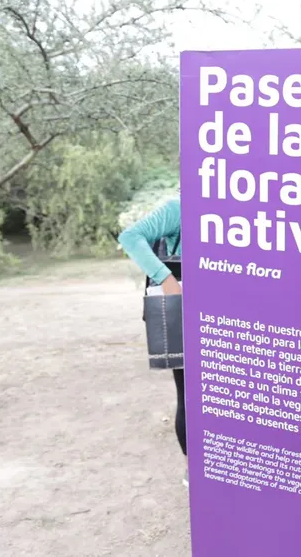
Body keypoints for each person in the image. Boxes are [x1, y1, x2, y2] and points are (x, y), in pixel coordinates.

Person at [117, 196, 187, 486]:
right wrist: (167, 280)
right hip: (184, 309)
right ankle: (192, 469)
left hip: (230, 315)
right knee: (189, 396)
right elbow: (130, 236)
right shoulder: (181, 207)